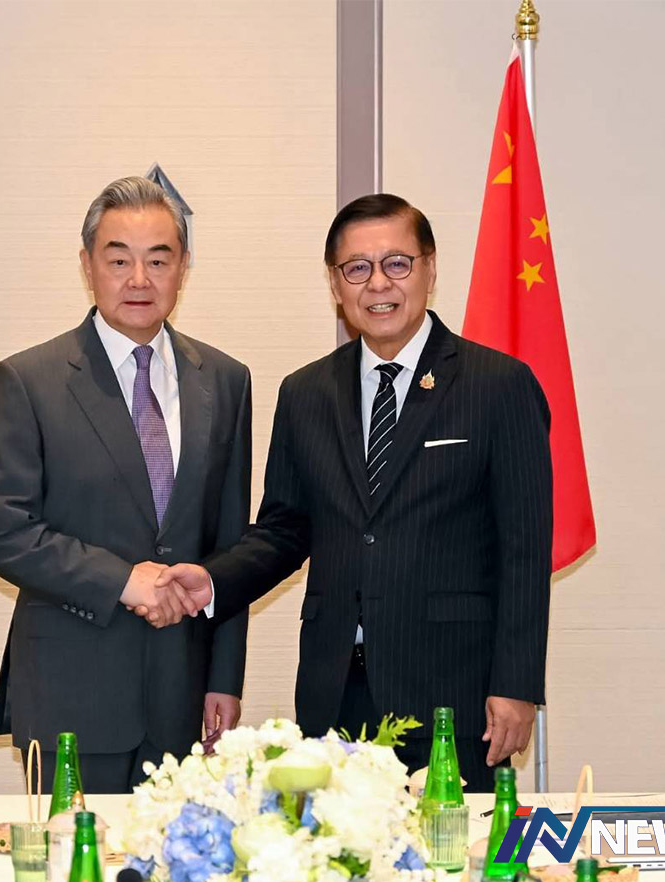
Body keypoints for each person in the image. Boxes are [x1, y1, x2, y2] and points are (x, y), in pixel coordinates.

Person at [149, 194, 551, 791]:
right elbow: (285, 529)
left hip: (455, 694)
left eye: (397, 263)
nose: (378, 283)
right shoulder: (306, 393)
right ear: (336, 284)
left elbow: (525, 550)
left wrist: (516, 684)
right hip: (336, 692)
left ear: (430, 268)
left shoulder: (498, 386)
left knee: (452, 844)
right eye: (357, 268)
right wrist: (214, 581)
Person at [0, 176, 251, 793]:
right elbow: (3, 532)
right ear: (87, 266)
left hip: (184, 694)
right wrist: (124, 580)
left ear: (184, 268)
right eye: (119, 259)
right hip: (72, 692)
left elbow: (232, 543)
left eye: (159, 260)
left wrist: (224, 677)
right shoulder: (29, 380)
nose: (139, 279)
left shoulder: (226, 381)